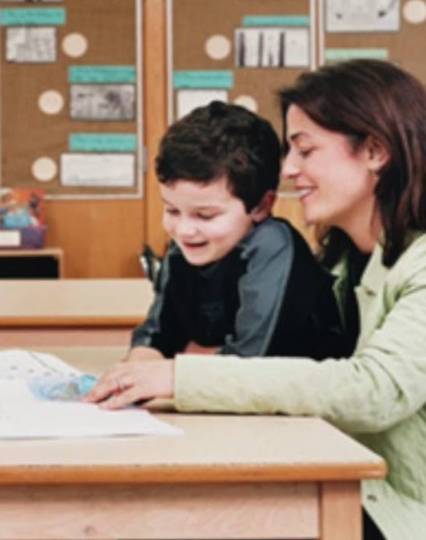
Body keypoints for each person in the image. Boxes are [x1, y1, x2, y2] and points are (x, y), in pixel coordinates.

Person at [89, 60, 426, 540]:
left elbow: (375, 390)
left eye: (305, 149)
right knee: (161, 521)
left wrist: (177, 377)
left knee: (177, 533)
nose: (290, 168)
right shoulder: (344, 259)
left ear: (376, 151)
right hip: (356, 485)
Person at [129, 101, 352, 363]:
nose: (185, 230)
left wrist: (177, 367)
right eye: (172, 210)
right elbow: (157, 335)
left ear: (262, 206)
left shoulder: (272, 245)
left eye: (206, 215)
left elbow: (250, 361)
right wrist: (136, 366)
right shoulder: (188, 246)